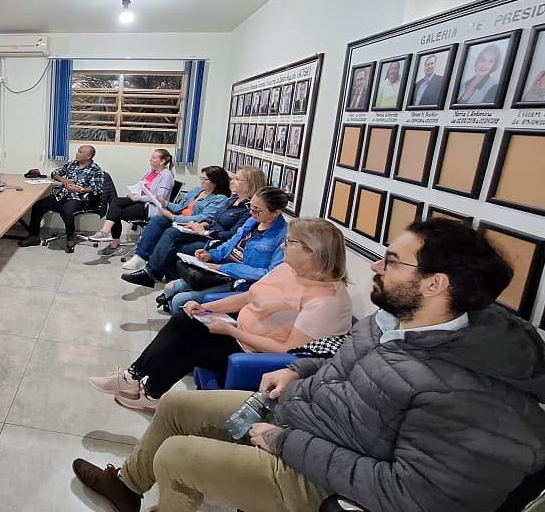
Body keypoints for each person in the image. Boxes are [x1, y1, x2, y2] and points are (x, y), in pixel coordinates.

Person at [72, 219, 545, 512]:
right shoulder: (393, 321)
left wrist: (286, 443)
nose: (377, 268)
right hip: (300, 413)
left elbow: (414, 497)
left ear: (435, 283)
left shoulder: (473, 393)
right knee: (176, 407)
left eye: (392, 262)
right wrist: (299, 370)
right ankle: (128, 487)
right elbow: (340, 357)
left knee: (177, 454)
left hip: (316, 478)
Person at [90, 218, 351, 413]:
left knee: (188, 338)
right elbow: (250, 296)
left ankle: (140, 384)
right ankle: (139, 383)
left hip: (256, 355)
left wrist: (233, 331)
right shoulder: (288, 269)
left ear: (313, 251)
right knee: (186, 319)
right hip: (241, 333)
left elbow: (289, 351)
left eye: (290, 242)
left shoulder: (326, 300)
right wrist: (208, 308)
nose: (283, 246)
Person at [121, 166, 265, 288]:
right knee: (161, 223)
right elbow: (213, 218)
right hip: (203, 230)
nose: (232, 181)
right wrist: (204, 223)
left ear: (249, 184)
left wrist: (206, 231)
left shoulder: (247, 208)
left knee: (172, 237)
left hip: (215, 241)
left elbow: (234, 235)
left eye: (237, 179)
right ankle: (149, 265)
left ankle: (156, 275)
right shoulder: (231, 199)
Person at [160, 186, 288, 315]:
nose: (251, 212)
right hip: (221, 271)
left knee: (180, 300)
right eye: (251, 207)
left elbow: (269, 274)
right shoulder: (252, 221)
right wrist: (211, 255)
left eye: (257, 210)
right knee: (171, 287)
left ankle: (185, 328)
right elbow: (230, 244)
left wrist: (224, 268)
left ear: (276, 212)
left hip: (240, 281)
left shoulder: (283, 236)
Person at [86, 149, 175, 257]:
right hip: (140, 202)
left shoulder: (167, 175)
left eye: (154, 158)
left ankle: (111, 239)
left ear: (162, 161)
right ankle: (106, 233)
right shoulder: (151, 172)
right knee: (116, 202)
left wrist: (138, 198)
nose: (150, 159)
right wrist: (133, 193)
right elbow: (141, 187)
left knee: (116, 212)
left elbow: (159, 198)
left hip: (152, 208)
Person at [18, 145, 105, 253]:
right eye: (78, 151)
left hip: (79, 198)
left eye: (80, 152)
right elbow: (54, 173)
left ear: (88, 156)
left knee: (66, 211)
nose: (77, 153)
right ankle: (34, 236)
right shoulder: (72, 164)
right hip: (62, 195)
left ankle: (70, 236)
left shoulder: (96, 170)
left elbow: (96, 188)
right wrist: (63, 180)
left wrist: (79, 189)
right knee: (38, 206)